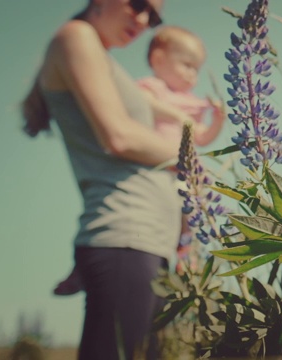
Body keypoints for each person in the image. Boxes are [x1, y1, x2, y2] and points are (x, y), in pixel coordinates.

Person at [21, 1, 188, 358]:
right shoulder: (76, 36)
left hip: (147, 242)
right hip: (124, 234)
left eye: (154, 17)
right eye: (139, 4)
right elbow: (119, 136)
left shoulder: (103, 59)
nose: (144, 20)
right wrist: (190, 160)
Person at [52, 25, 224, 294]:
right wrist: (180, 116)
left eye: (197, 69)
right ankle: (78, 270)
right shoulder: (151, 87)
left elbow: (202, 138)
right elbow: (143, 103)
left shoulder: (193, 101)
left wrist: (218, 122)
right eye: (187, 65)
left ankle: (187, 252)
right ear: (158, 60)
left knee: (193, 211)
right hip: (152, 170)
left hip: (176, 174)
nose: (193, 74)